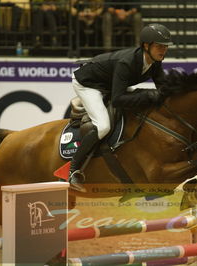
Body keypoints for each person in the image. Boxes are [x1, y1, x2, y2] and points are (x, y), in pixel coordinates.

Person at [69, 23, 173, 192]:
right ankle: (73, 171)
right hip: (89, 84)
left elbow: (164, 90)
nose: (163, 50)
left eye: (166, 46)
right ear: (146, 46)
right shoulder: (127, 63)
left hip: (109, 83)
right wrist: (148, 95)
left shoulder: (155, 61)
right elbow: (118, 99)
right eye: (159, 46)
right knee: (103, 126)